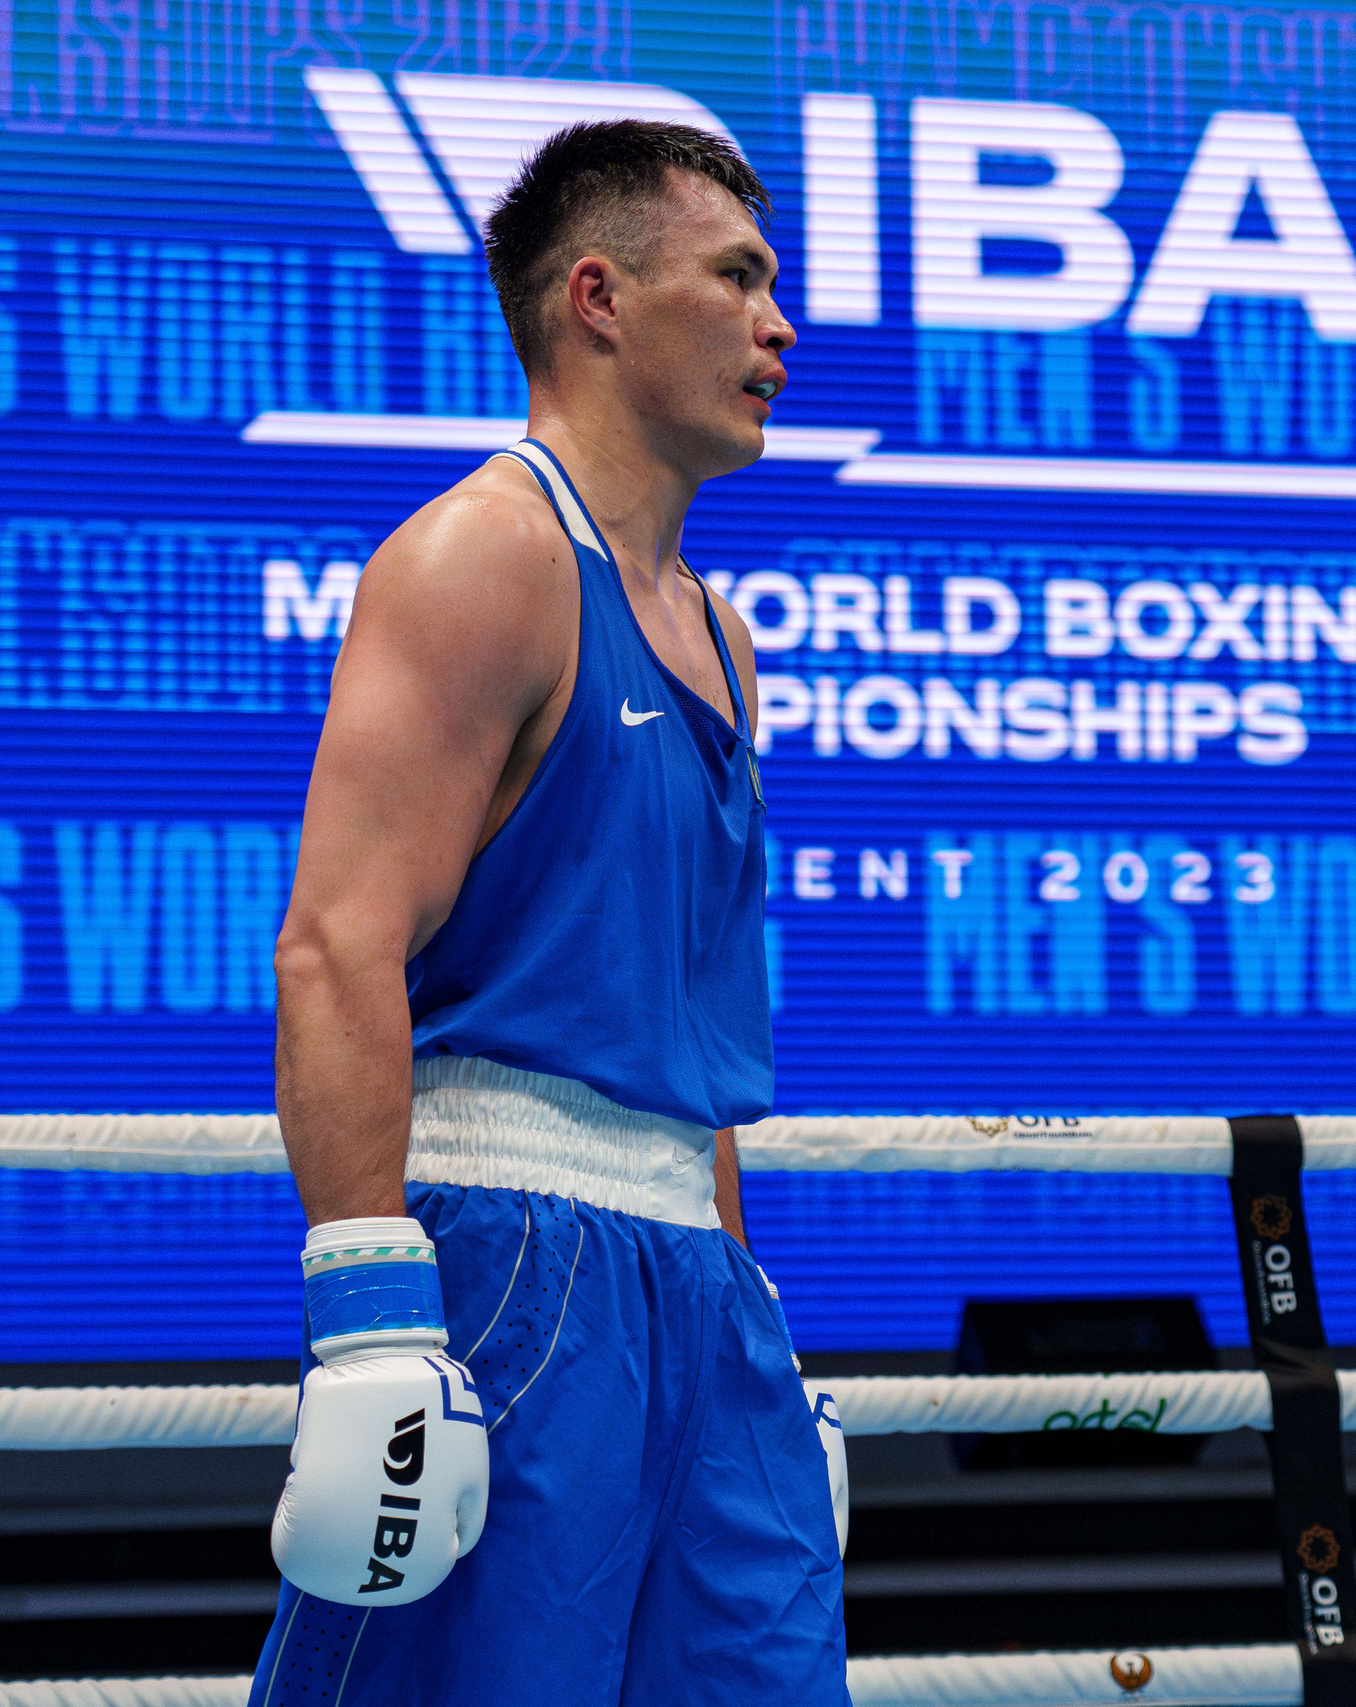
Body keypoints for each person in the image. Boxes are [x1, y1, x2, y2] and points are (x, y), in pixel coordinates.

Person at [252, 121, 849, 1703]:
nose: (779, 324)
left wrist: (752, 1323)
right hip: (513, 1269)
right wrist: (373, 1317)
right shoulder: (481, 560)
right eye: (738, 279)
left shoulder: (720, 632)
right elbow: (336, 946)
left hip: (698, 1295)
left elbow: (688, 1022)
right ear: (597, 296)